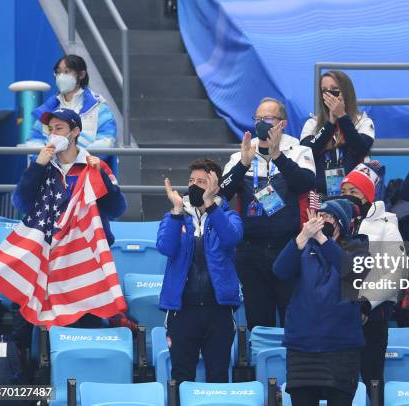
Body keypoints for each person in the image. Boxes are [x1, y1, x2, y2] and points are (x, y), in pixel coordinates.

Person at [10, 108, 126, 343]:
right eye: (50, 130)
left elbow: (117, 209)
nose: (53, 134)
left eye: (59, 129)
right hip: (49, 258)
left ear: (74, 132)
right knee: (28, 322)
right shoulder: (41, 165)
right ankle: (28, 372)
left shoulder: (96, 166)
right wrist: (37, 168)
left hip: (87, 260)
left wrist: (101, 179)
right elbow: (21, 203)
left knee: (87, 328)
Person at [220, 98, 316, 330]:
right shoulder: (243, 151)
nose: (262, 123)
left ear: (282, 123)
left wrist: (278, 156)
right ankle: (262, 364)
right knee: (258, 321)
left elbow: (306, 183)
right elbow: (221, 192)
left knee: (291, 318)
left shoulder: (299, 150)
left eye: (268, 119)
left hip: (288, 247)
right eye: (258, 119)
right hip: (251, 250)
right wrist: (243, 164)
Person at [273, 200, 368, 406]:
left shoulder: (357, 247)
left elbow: (353, 273)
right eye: (318, 216)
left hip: (341, 348)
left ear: (340, 223)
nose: (320, 221)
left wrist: (324, 241)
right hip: (302, 348)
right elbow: (279, 271)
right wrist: (302, 237)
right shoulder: (303, 247)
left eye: (327, 217)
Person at [157, 159, 243, 385]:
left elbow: (232, 238)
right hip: (182, 310)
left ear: (214, 185)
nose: (194, 185)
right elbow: (165, 247)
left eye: (202, 181)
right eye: (191, 181)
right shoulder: (175, 215)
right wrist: (176, 212)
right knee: (181, 377)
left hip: (219, 310)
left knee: (218, 377)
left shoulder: (228, 215)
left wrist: (211, 206)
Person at [339, 162, 405, 405]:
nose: (347, 197)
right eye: (344, 191)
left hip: (371, 316)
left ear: (368, 196)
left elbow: (396, 272)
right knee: (340, 382)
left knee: (372, 378)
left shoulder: (387, 227)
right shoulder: (335, 224)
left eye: (354, 192)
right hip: (338, 313)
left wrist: (367, 302)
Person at [300, 70, 375, 198]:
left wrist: (342, 116)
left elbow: (361, 149)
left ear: (346, 92)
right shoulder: (312, 123)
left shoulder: (363, 121)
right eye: (324, 90)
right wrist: (330, 123)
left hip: (353, 195)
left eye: (334, 89)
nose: (329, 94)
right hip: (320, 198)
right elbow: (308, 152)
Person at [25, 55, 117, 150]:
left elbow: (107, 140)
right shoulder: (49, 108)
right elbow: (34, 140)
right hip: (52, 163)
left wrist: (78, 160)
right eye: (58, 72)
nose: (60, 76)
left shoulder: (98, 106)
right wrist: (48, 159)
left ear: (81, 75)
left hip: (87, 164)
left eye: (66, 72)